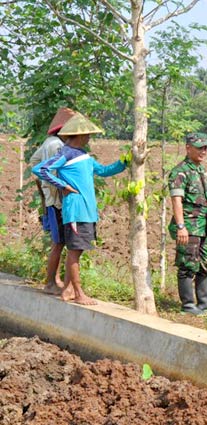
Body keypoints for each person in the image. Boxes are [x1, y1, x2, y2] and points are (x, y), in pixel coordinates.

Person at [34, 112, 128, 305]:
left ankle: (69, 290)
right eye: (87, 134)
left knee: (79, 250)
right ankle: (78, 293)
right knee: (74, 251)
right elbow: (40, 169)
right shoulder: (65, 154)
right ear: (78, 135)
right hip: (76, 210)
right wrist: (62, 185)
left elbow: (103, 171)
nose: (89, 137)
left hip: (87, 210)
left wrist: (124, 162)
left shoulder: (83, 155)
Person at [168, 132, 207, 315]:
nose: (203, 151)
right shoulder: (180, 171)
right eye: (199, 148)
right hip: (189, 225)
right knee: (188, 264)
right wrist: (181, 227)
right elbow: (176, 200)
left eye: (205, 147)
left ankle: (204, 302)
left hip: (203, 225)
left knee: (206, 262)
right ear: (188, 148)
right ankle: (188, 304)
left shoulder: (202, 171)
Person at [28, 107, 76, 294]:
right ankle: (51, 282)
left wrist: (43, 186)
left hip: (50, 197)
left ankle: (54, 280)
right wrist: (59, 188)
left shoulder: (49, 141)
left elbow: (34, 162)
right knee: (59, 242)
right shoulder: (57, 146)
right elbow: (51, 170)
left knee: (59, 241)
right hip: (57, 200)